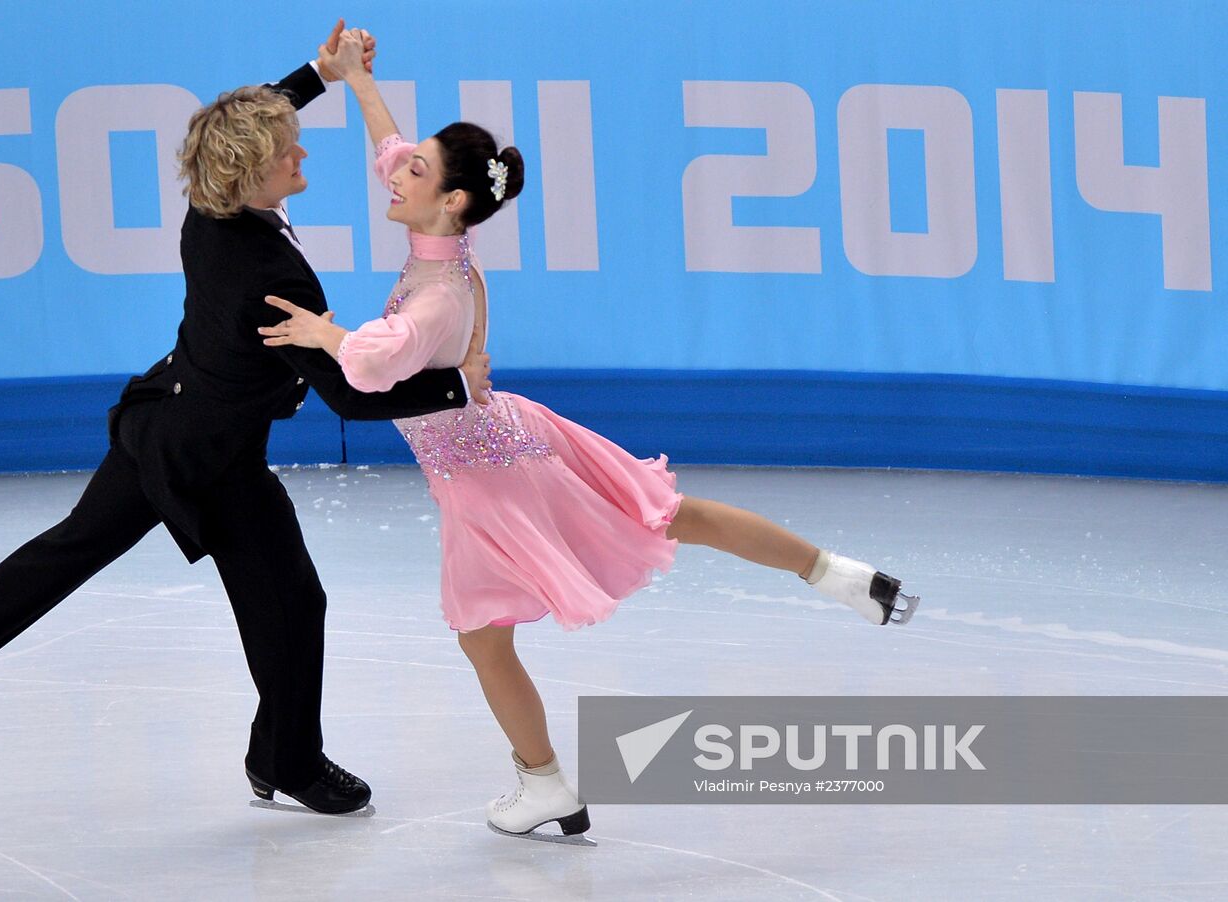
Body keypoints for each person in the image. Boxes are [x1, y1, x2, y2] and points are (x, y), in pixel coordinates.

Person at [262, 31, 919, 838]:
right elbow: (388, 145)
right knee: (674, 514)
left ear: (454, 201)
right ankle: (840, 574)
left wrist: (321, 334)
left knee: (482, 638)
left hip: (482, 474)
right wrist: (359, 80)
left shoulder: (436, 290)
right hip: (517, 436)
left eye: (416, 171)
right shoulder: (445, 246)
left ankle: (544, 784)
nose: (395, 172)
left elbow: (369, 367)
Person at [0, 22, 490, 817]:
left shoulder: (210, 207)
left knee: (86, 557)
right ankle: (287, 760)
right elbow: (351, 394)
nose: (303, 154)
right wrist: (458, 386)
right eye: (290, 152)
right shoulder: (269, 271)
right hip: (204, 456)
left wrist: (319, 76)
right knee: (284, 600)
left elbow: (254, 118)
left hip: (170, 417)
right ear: (252, 171)